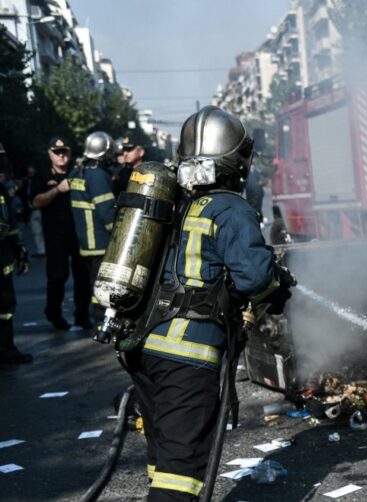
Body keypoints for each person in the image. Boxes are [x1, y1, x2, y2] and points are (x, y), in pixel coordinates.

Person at [129, 106, 292, 501]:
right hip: (187, 353)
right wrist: (278, 280)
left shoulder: (172, 205)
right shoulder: (230, 208)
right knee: (180, 476)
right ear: (236, 161)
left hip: (145, 348)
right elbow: (254, 277)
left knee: (163, 457)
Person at [30, 137, 92, 330]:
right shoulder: (41, 175)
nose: (61, 155)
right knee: (57, 277)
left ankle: (82, 315)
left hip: (79, 234)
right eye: (57, 152)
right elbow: (36, 202)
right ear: (50, 154)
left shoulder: (78, 172)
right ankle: (54, 314)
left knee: (83, 277)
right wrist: (58, 189)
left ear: (70, 153)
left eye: (64, 151)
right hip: (56, 236)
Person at [69, 131, 118, 328]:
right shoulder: (97, 175)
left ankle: (99, 321)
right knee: (103, 286)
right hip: (100, 242)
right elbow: (107, 212)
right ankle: (103, 323)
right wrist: (118, 236)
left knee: (95, 284)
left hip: (86, 242)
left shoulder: (79, 172)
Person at [0, 167, 31, 364]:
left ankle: (6, 348)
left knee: (5, 306)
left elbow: (11, 224)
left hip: (3, 256)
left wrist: (20, 251)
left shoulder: (2, 190)